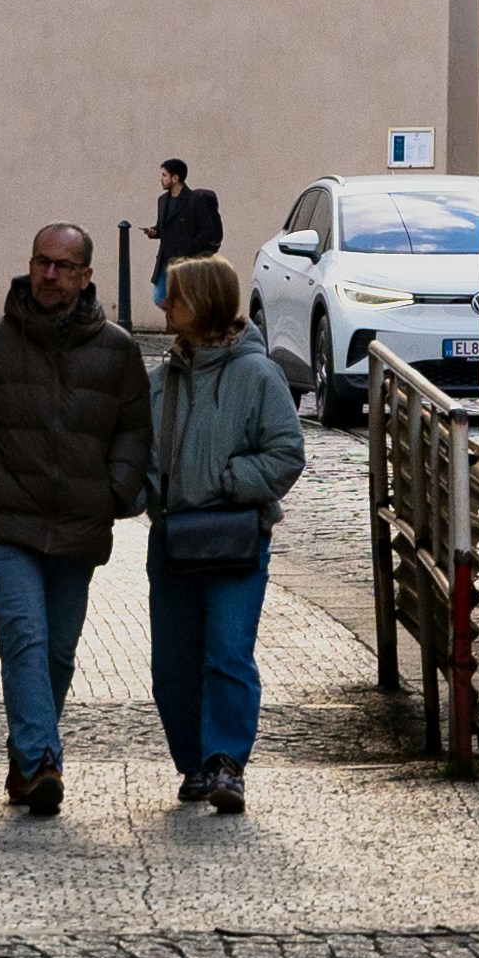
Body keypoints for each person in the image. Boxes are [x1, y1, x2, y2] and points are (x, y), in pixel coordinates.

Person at [0, 219, 152, 814]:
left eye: (62, 266)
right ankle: (43, 760)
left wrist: (114, 490)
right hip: (4, 522)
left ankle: (24, 758)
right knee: (24, 638)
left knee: (58, 655)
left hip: (77, 525)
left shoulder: (117, 350)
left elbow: (134, 431)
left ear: (86, 275)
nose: (48, 274)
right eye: (41, 262)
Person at [143, 252, 303, 815]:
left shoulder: (258, 375)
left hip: (238, 538)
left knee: (228, 653)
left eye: (177, 296)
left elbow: (286, 453)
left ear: (207, 303)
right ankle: (193, 764)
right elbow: (142, 461)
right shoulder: (159, 382)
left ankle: (226, 763)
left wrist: (225, 481)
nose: (165, 303)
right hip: (173, 540)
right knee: (172, 664)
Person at [148, 159, 222, 313]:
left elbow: (207, 231)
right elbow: (163, 227)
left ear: (175, 178)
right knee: (159, 296)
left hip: (187, 260)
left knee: (187, 299)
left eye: (164, 175)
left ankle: (186, 322)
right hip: (165, 259)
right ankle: (181, 319)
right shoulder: (162, 200)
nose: (161, 179)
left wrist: (189, 248)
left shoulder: (195, 200)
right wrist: (154, 231)